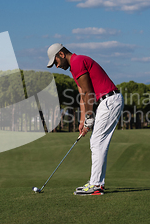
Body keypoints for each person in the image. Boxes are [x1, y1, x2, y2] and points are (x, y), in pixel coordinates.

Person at [46, 43, 124, 195]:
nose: (56, 66)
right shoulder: (75, 66)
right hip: (106, 102)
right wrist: (83, 121)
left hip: (109, 101)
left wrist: (89, 117)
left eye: (55, 62)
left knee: (97, 141)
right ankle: (95, 183)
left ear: (61, 54)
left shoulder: (77, 62)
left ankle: (96, 185)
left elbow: (89, 93)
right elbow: (83, 96)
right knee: (96, 141)